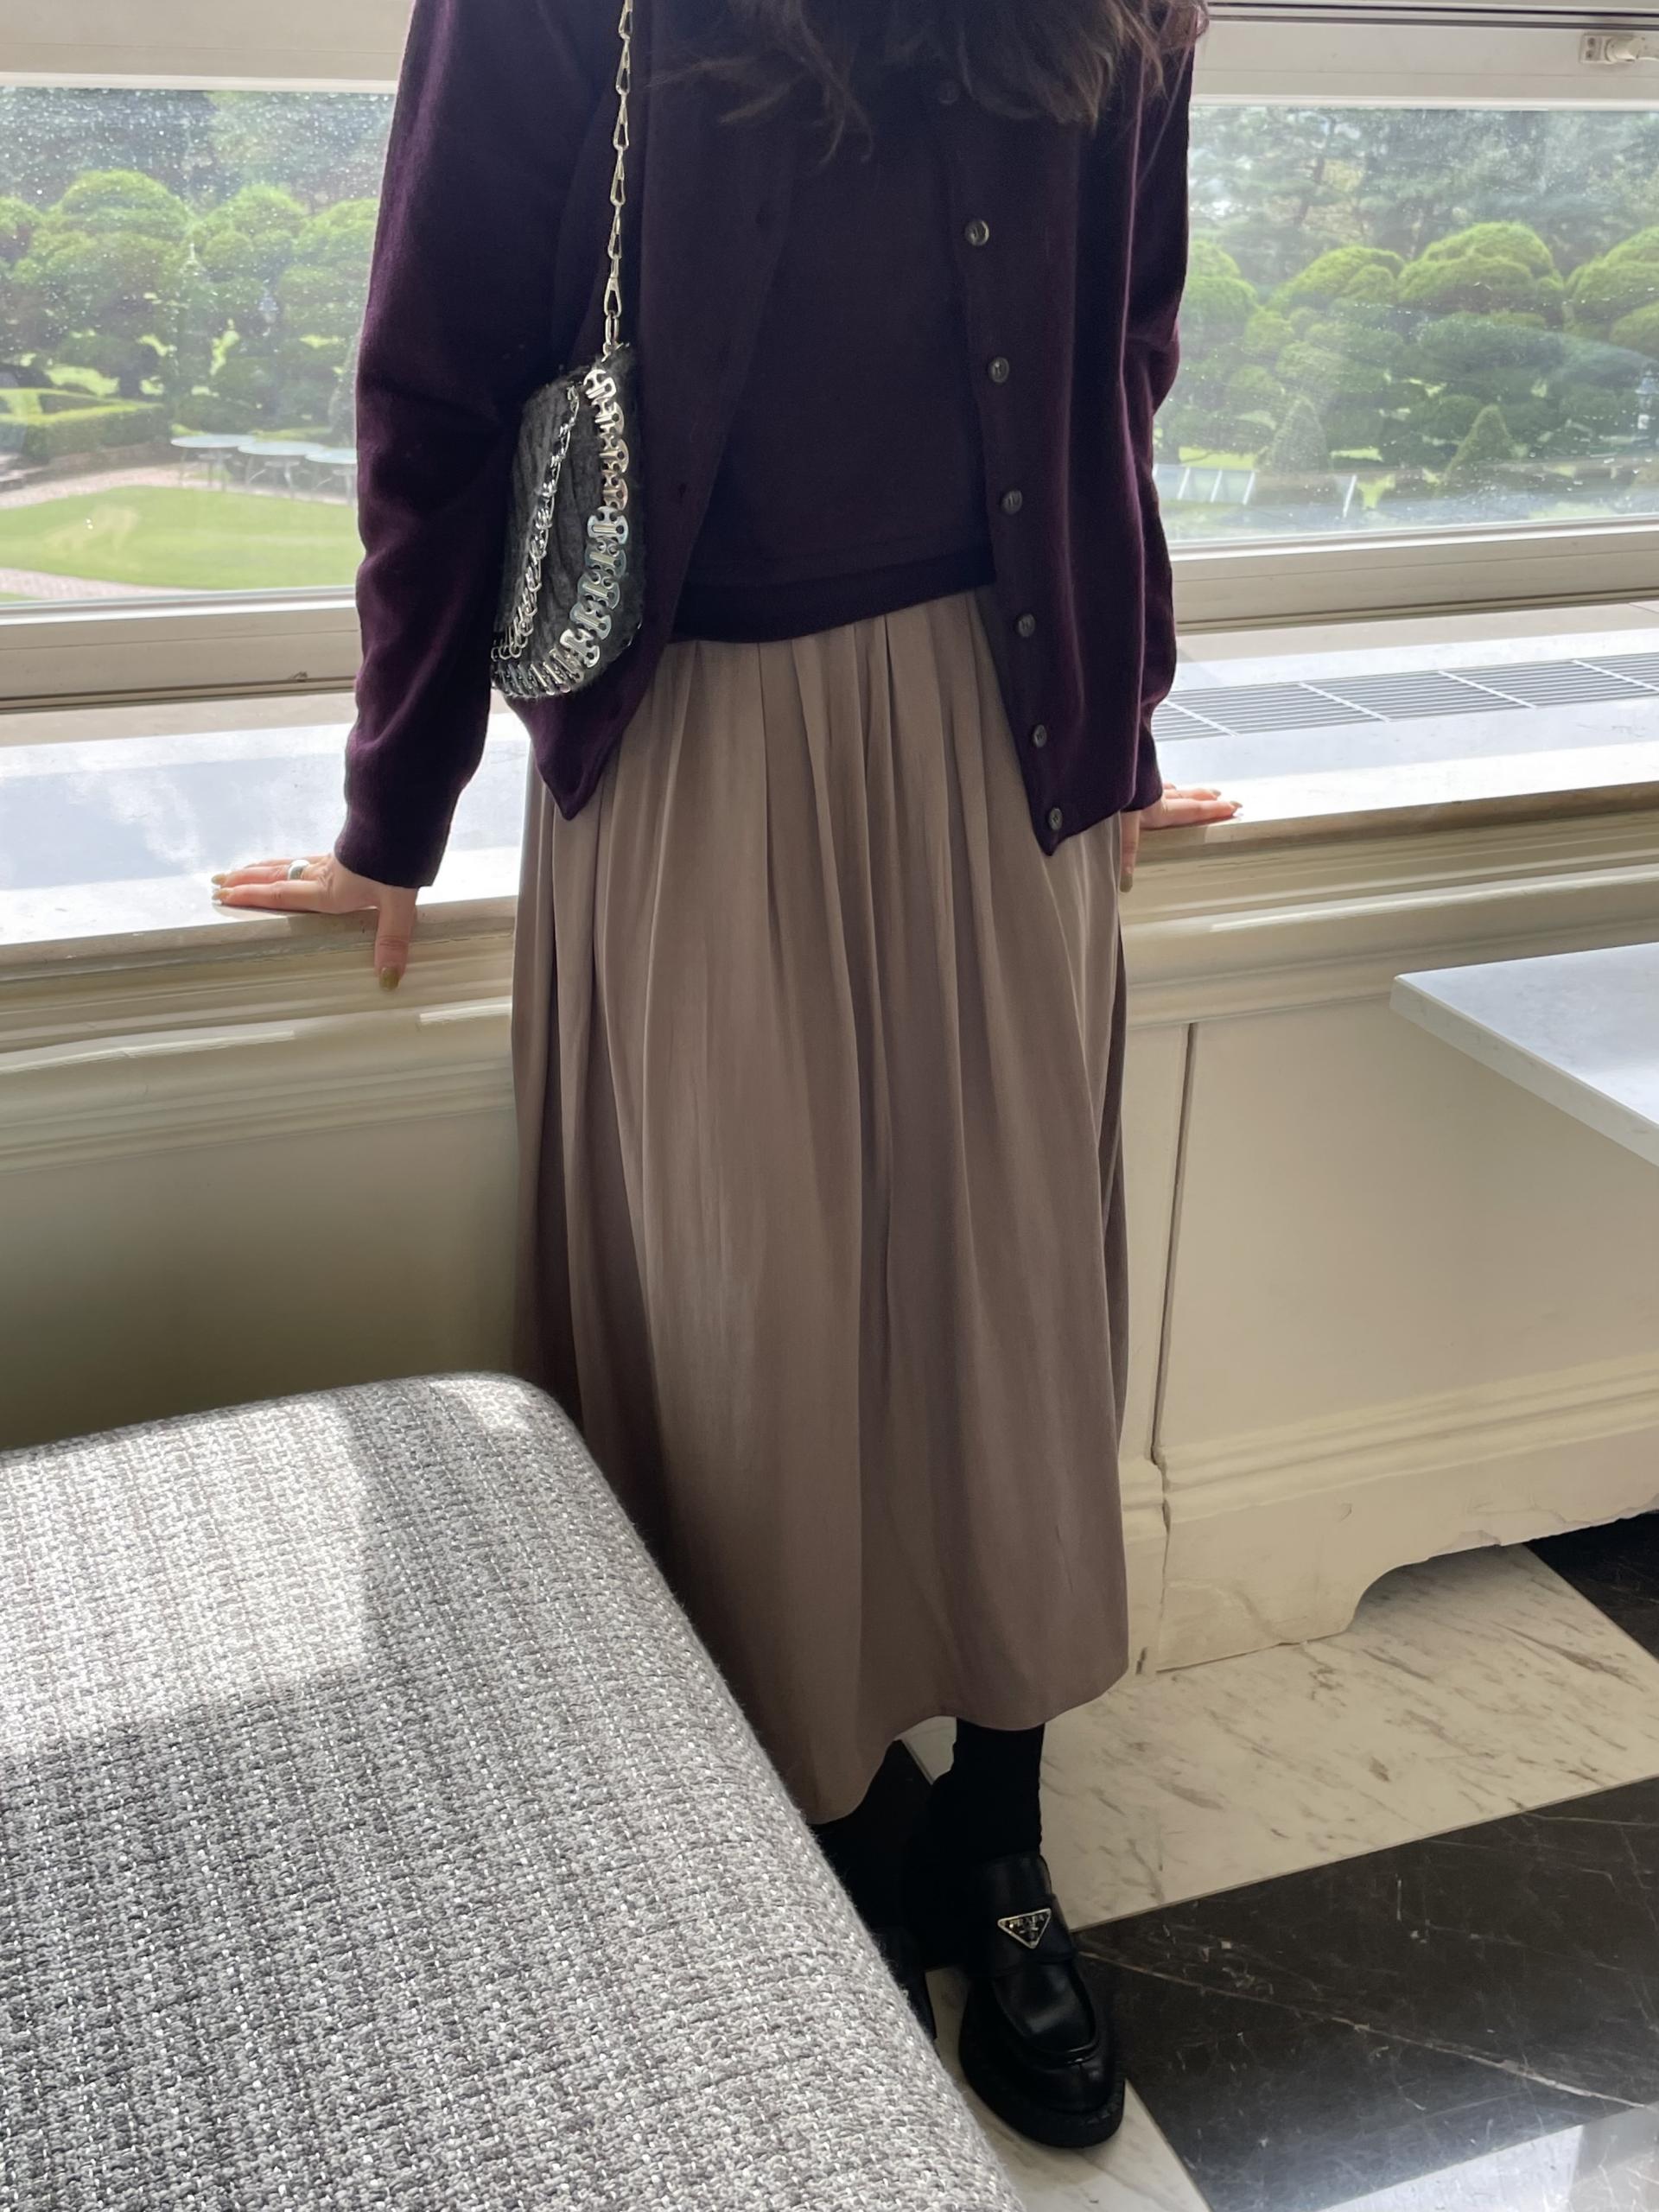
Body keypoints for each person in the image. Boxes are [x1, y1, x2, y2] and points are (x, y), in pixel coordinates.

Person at [215, 0, 1236, 2151]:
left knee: (1009, 1312)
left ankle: (1000, 1829)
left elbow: (1123, 351)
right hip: (693, 734)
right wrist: (395, 807)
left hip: (1009, 734)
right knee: (745, 1312)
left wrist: (1120, 702)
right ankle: (821, 1829)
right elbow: (437, 380)